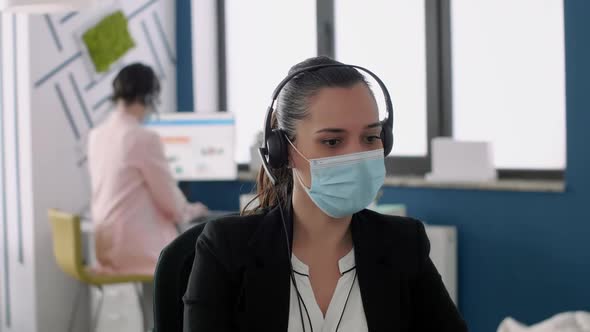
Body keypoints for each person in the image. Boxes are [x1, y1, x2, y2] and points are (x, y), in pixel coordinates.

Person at [182, 56, 467, 331]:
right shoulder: (226, 248)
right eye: (332, 141)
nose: (356, 155)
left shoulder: (403, 244)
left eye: (370, 138)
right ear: (283, 151)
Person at [87, 63, 208, 330]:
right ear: (150, 96)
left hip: (106, 246)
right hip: (136, 250)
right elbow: (172, 205)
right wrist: (193, 210)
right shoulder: (142, 137)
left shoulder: (97, 135)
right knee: (192, 258)